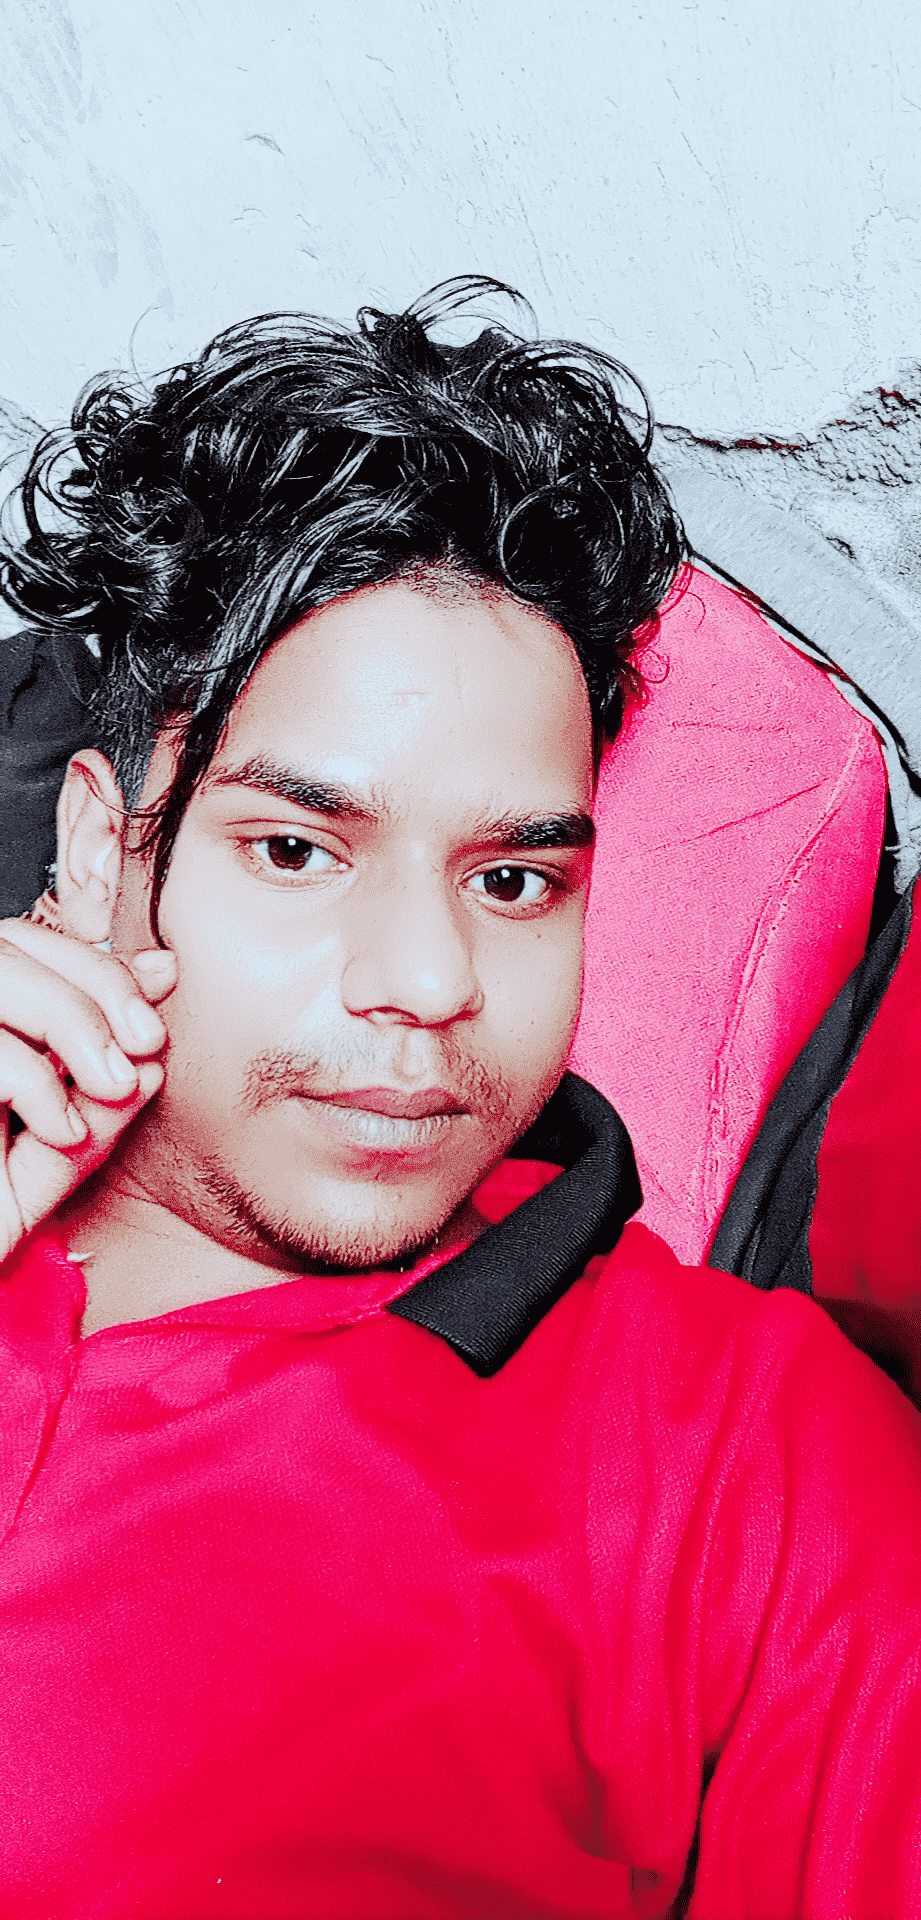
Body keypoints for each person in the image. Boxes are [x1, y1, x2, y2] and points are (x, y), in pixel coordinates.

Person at [0, 277, 920, 1919]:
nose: (430, 982)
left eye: (513, 881)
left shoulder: (748, 1462)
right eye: (299, 851)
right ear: (96, 847)